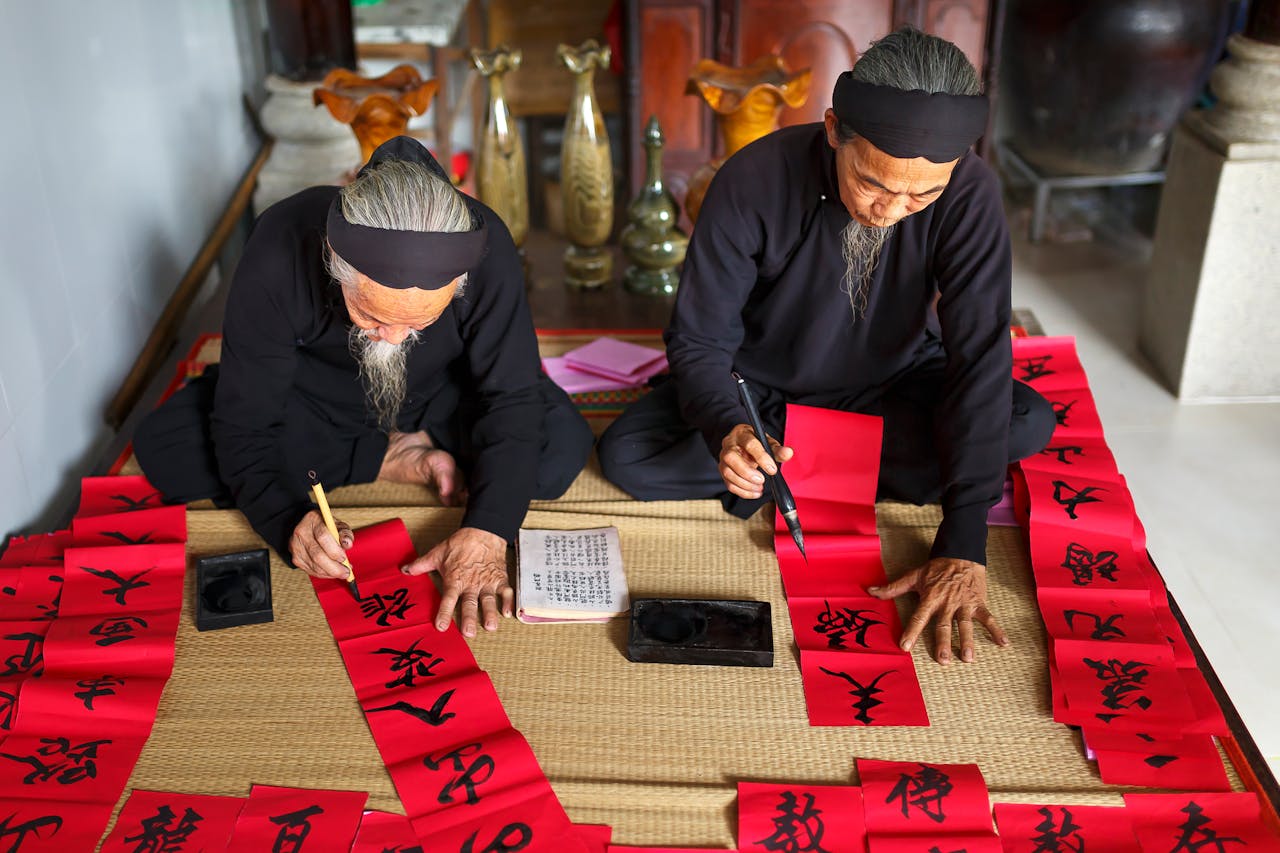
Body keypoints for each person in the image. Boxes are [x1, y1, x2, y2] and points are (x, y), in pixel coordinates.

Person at [597, 28, 1055, 665]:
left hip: (892, 383)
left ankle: (801, 469)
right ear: (835, 129)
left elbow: (978, 354)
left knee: (1025, 419)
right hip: (764, 396)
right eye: (873, 182)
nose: (893, 209)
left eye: (923, 193)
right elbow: (700, 340)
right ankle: (823, 464)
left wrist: (963, 538)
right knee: (629, 457)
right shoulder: (753, 180)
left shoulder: (971, 194)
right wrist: (729, 429)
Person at [134, 136, 593, 638]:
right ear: (336, 262)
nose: (395, 338)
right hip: (319, 402)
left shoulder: (488, 245)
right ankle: (385, 456)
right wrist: (287, 519)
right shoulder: (279, 245)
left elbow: (512, 395)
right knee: (170, 450)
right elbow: (246, 423)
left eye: (419, 322)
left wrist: (488, 530)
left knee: (558, 448)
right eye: (373, 315)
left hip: (442, 395)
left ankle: (410, 443)